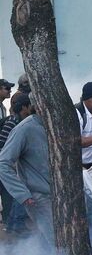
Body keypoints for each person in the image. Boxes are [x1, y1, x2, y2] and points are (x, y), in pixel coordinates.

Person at [0, 108, 54, 244]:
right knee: (57, 242)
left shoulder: (57, 124)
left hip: (59, 195)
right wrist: (23, 195)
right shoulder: (24, 129)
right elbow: (3, 164)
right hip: (38, 197)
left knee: (55, 241)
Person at [0, 94, 32, 234]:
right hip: (6, 166)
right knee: (12, 195)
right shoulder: (13, 122)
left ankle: (13, 225)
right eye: (29, 107)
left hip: (10, 165)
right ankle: (13, 225)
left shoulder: (20, 121)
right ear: (24, 107)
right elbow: (2, 144)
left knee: (13, 195)